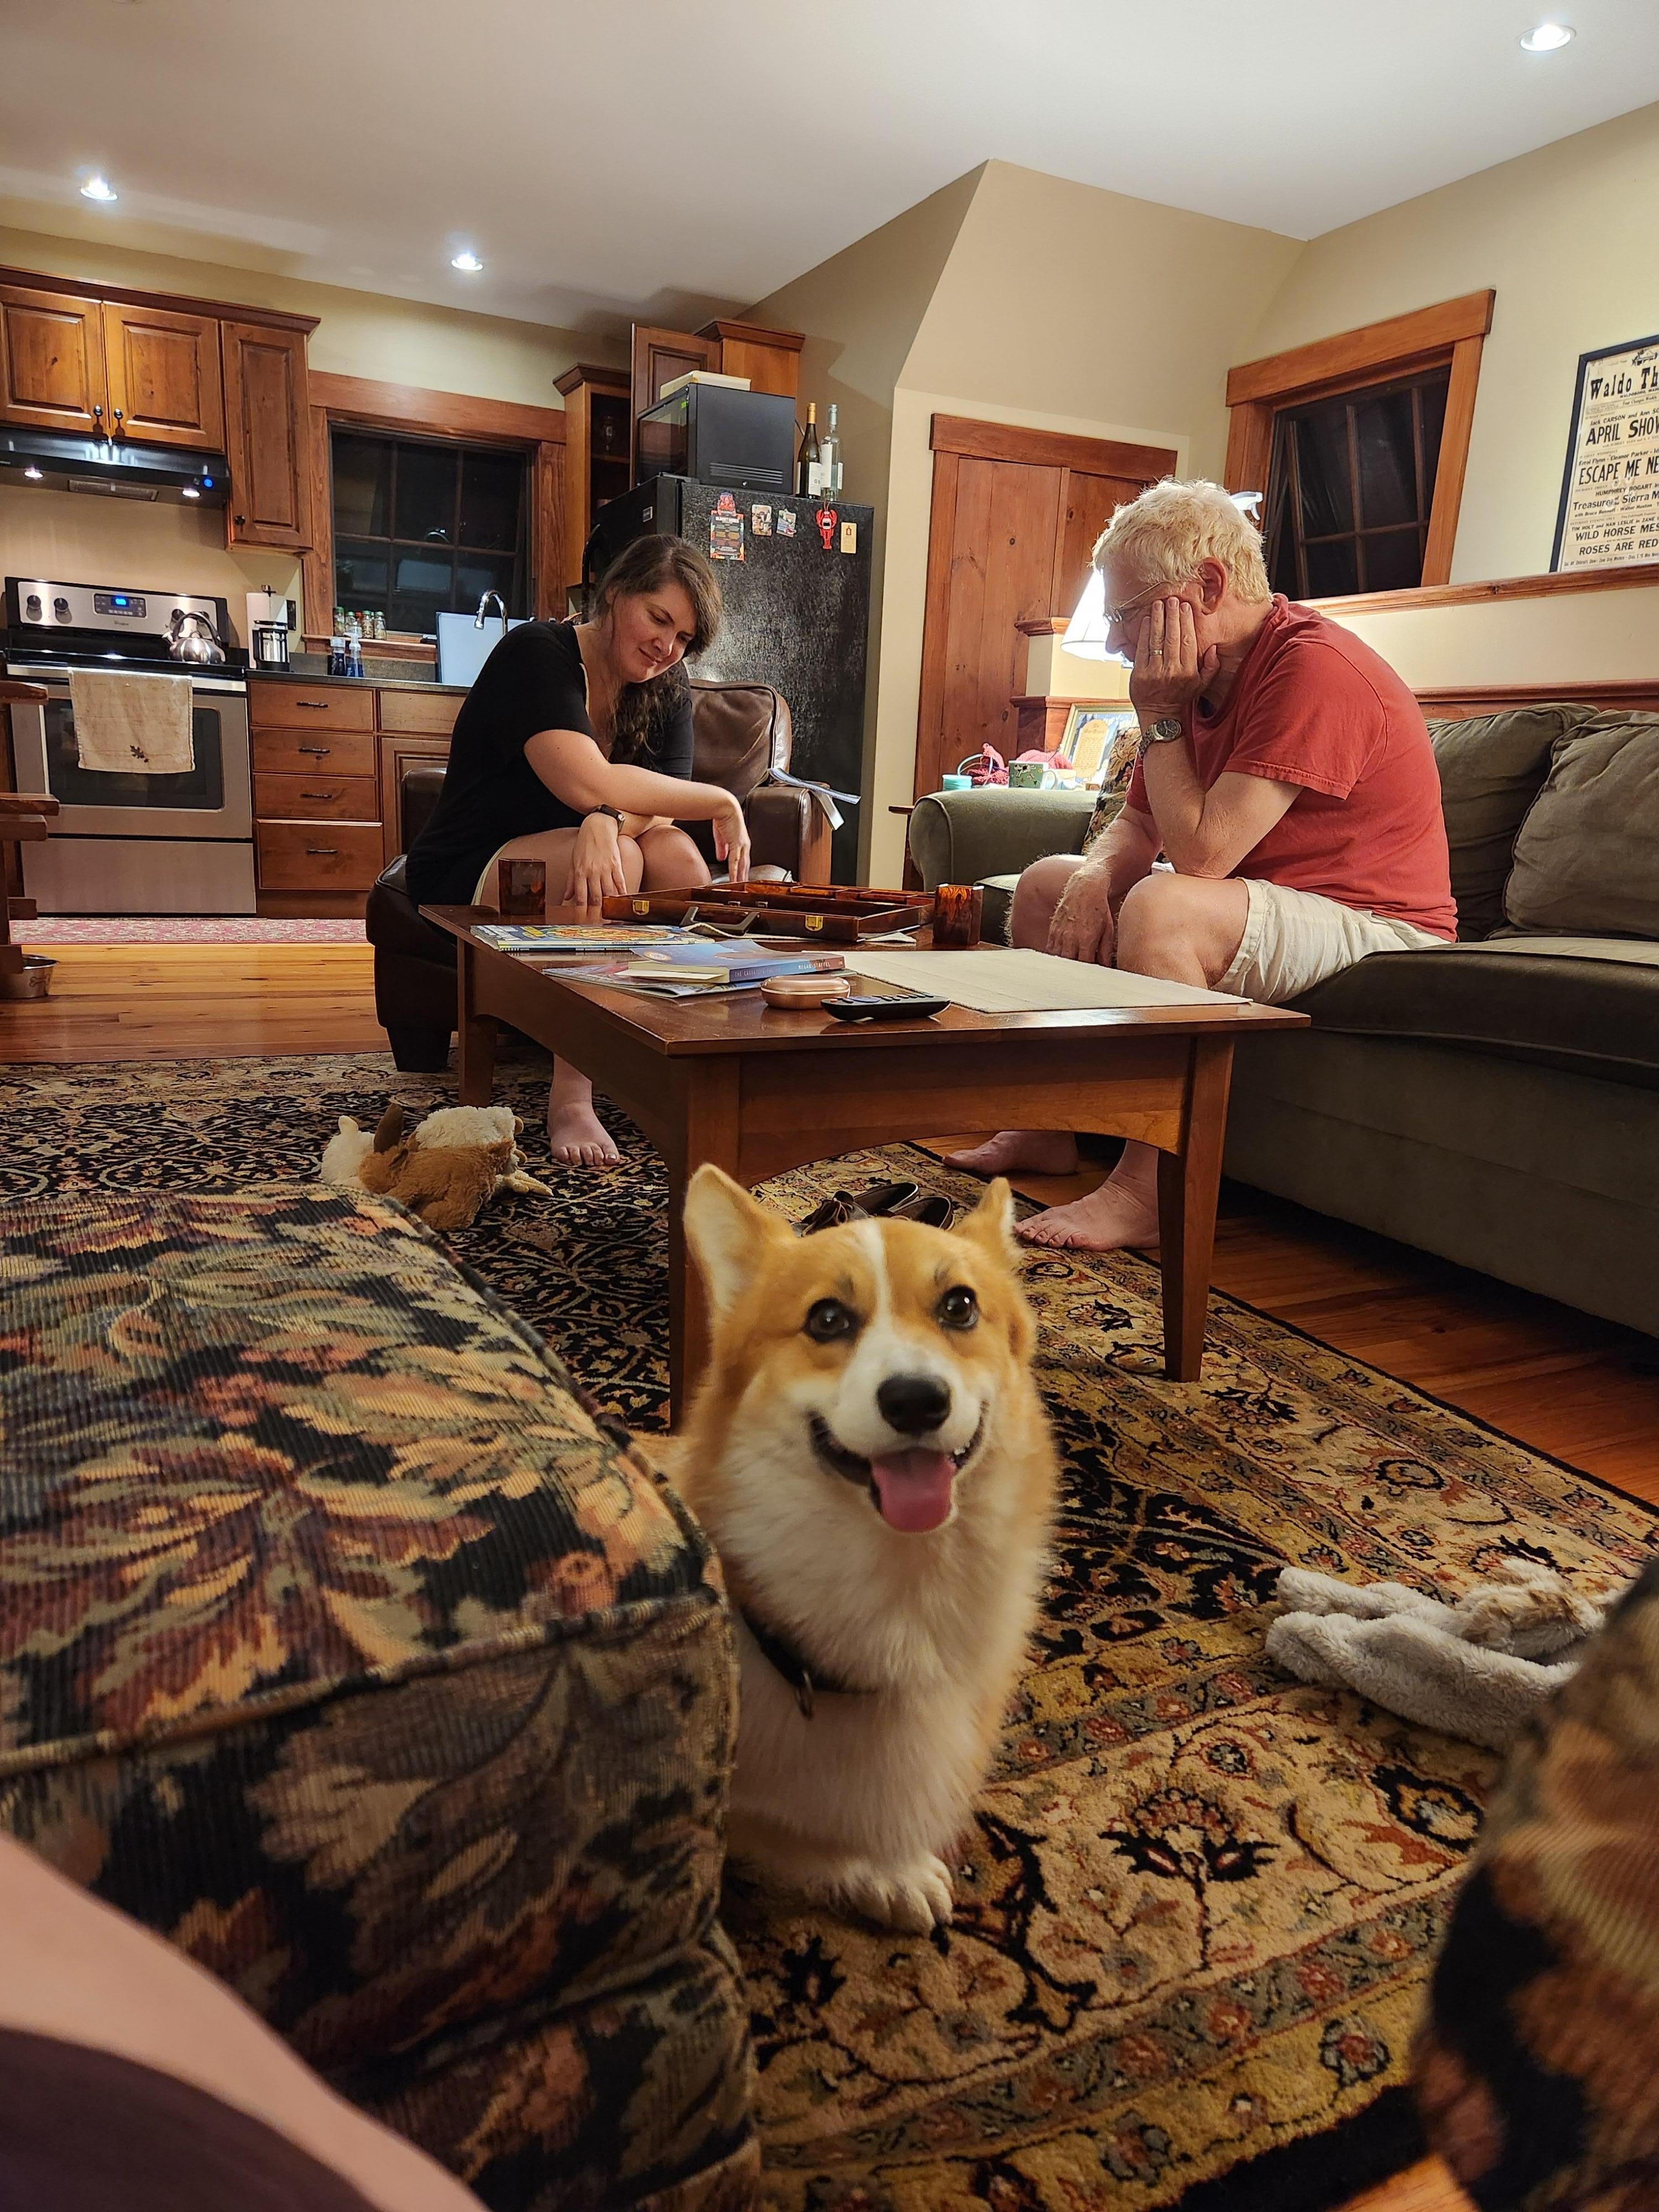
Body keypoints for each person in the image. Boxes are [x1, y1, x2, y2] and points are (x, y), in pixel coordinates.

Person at [951, 477, 1455, 1249]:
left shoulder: (1314, 670)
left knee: (1164, 906)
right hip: (1263, 901)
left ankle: (1150, 1191)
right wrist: (1092, 877)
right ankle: (1044, 1127)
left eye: (1124, 614)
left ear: (1208, 586)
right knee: (1050, 884)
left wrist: (1154, 715)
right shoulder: (1193, 675)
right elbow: (1140, 824)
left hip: (1380, 925)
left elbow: (1205, 853)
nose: (1118, 641)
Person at [405, 535, 750, 1168]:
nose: (666, 647)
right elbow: (585, 780)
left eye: (684, 638)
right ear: (614, 595)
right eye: (658, 618)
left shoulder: (666, 683)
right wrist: (719, 801)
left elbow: (663, 803)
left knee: (677, 859)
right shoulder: (536, 654)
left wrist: (607, 820)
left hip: (581, 848)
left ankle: (670, 1055)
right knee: (631, 863)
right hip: (473, 858)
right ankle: (573, 1092)